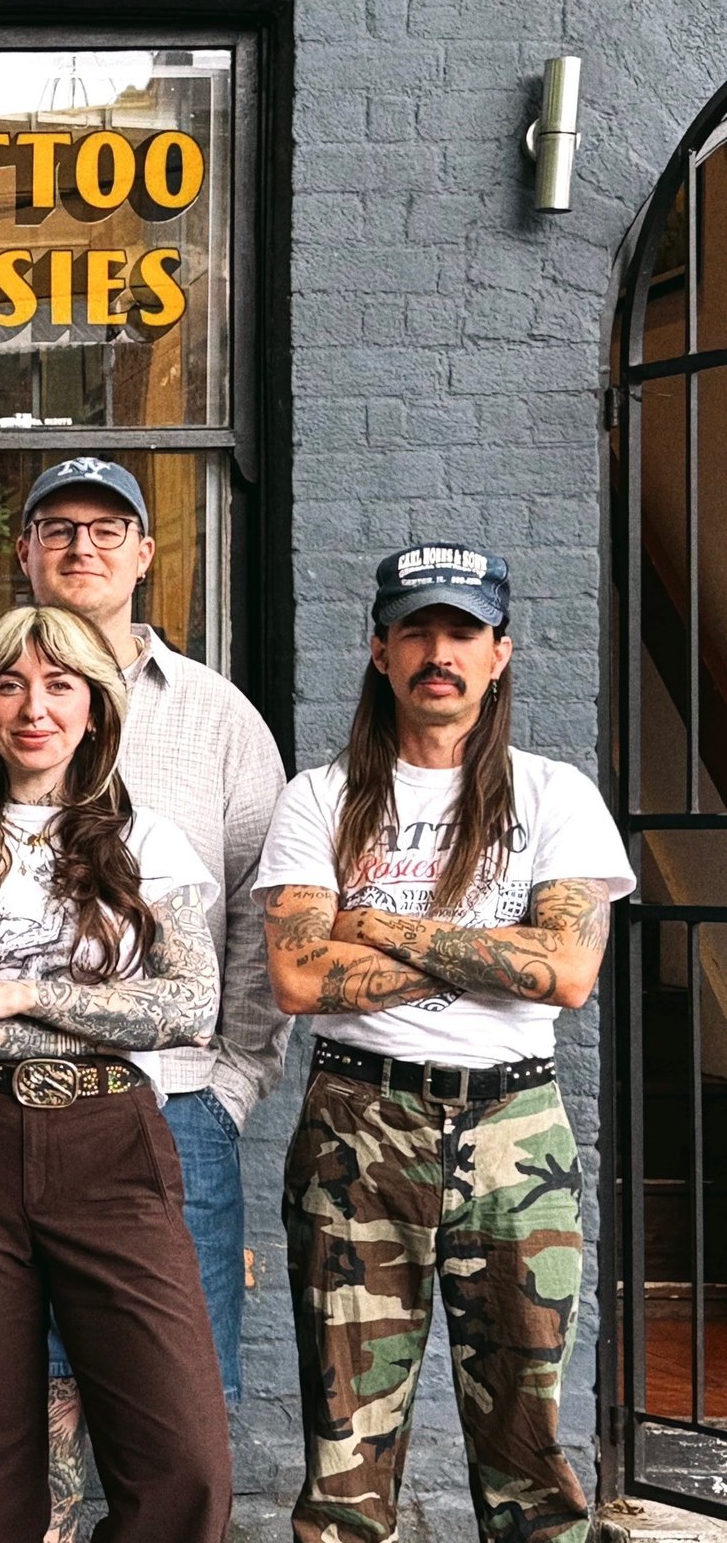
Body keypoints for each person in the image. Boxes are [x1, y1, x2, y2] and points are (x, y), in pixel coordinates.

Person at [0, 457, 287, 1531]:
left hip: (159, 1110)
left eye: (107, 527)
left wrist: (231, 1081)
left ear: (144, 551)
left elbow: (241, 933)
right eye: (55, 527)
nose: (81, 547)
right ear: (20, 550)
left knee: (175, 1425)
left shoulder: (214, 719)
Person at [256, 544, 631, 1543]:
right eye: (416, 629)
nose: (439, 652)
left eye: (461, 631)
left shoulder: (553, 796)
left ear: (499, 652)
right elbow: (297, 976)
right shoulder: (317, 798)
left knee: (531, 1461)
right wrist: (489, 952)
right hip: (357, 1128)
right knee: (345, 1464)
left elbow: (567, 971)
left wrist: (371, 923)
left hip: (516, 1133)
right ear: (378, 649)